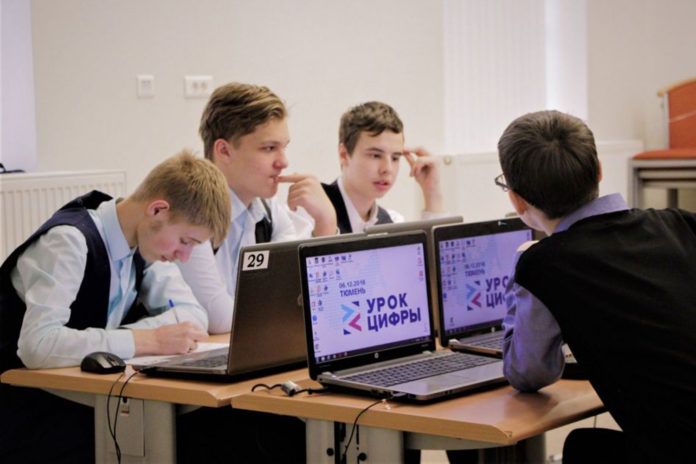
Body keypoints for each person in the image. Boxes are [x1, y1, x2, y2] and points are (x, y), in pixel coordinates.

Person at [0, 150, 230, 462]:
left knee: (200, 430)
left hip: (79, 399)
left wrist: (141, 338)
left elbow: (194, 317)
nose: (184, 256)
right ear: (158, 210)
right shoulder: (69, 242)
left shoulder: (144, 245)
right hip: (23, 409)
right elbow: (37, 346)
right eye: (185, 241)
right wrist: (146, 339)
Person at [497, 110, 695, 463]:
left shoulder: (545, 265)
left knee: (583, 449)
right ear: (599, 170)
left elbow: (528, 373)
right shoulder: (680, 224)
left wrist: (523, 270)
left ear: (516, 200)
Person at [177, 82, 337, 334]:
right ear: (224, 151)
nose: (283, 162)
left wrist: (326, 223)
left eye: (284, 147)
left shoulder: (269, 210)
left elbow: (309, 297)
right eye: (269, 148)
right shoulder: (190, 214)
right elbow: (220, 320)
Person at [322, 101, 446, 233]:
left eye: (395, 158)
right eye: (376, 155)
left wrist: (432, 192)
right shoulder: (312, 215)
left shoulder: (394, 222)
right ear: (343, 154)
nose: (388, 169)